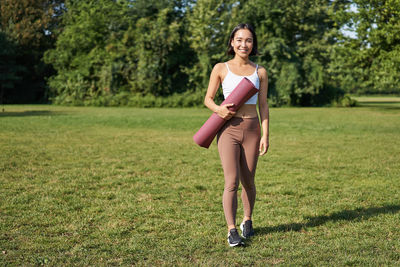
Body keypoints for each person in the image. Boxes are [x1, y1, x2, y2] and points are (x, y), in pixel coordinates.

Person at [204, 23, 269, 247]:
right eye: (239, 40)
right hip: (228, 130)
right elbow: (208, 99)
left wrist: (265, 134)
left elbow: (263, 105)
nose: (244, 44)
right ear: (232, 42)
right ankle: (232, 230)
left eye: (248, 40)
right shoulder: (221, 68)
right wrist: (219, 110)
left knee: (249, 181)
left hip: (252, 130)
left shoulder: (260, 71)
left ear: (253, 44)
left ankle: (247, 220)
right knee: (231, 182)